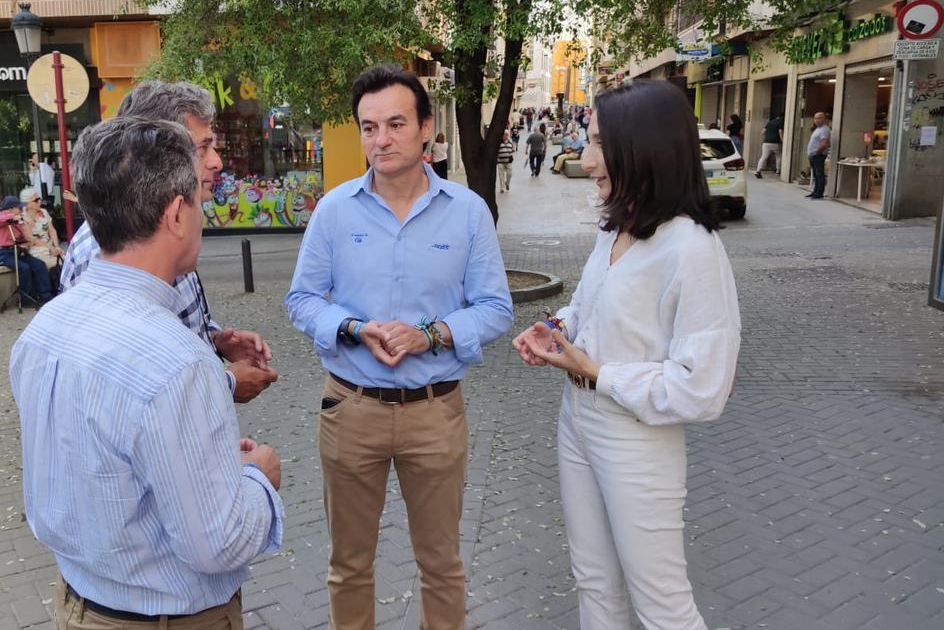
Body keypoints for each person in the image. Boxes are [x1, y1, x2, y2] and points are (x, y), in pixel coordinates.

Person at [11, 116, 284, 630]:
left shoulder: (44, 329)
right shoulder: (178, 363)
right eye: (199, 203)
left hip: (77, 603)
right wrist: (258, 479)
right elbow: (218, 541)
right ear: (177, 214)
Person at [286, 64, 513, 630]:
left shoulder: (467, 212)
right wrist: (354, 328)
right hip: (351, 408)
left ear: (426, 128)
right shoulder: (335, 210)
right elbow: (302, 300)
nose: (379, 140)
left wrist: (429, 334)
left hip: (435, 411)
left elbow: (495, 308)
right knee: (349, 565)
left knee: (441, 565)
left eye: (394, 124)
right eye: (368, 127)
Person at [512, 79, 740, 630]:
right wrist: (554, 327)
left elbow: (702, 387)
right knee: (594, 582)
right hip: (578, 423)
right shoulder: (616, 226)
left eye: (597, 144)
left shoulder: (692, 249)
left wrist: (597, 370)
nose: (587, 160)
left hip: (636, 438)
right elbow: (589, 304)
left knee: (661, 603)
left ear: (643, 150)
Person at [60, 80, 279, 405]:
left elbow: (171, 327)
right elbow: (124, 388)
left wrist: (215, 339)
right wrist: (228, 383)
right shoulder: (105, 250)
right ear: (156, 153)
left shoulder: (163, 226)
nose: (217, 162)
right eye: (203, 148)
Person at [0, 195, 52, 305]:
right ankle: (25, 299)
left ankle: (46, 295)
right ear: (11, 208)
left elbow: (27, 237)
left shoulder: (19, 220)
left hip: (15, 250)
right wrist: (13, 217)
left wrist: (25, 224)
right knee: (23, 268)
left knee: (39, 264)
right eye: (19, 208)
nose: (22, 210)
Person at [806, 111, 831, 199]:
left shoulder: (824, 129)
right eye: (815, 118)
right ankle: (815, 191)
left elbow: (824, 144)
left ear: (824, 119)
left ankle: (819, 193)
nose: (817, 120)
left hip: (818, 155)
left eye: (819, 118)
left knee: (819, 174)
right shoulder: (817, 129)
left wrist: (816, 152)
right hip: (813, 155)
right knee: (816, 175)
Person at [754, 114, 784, 179]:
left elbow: (763, 132)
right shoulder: (781, 122)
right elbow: (780, 131)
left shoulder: (770, 122)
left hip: (766, 143)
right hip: (776, 143)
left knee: (763, 157)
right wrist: (782, 140)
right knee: (778, 156)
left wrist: (768, 136)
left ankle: (758, 171)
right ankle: (778, 171)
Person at [497, 128, 515, 193]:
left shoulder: (510, 143)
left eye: (506, 134)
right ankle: (502, 188)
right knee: (501, 175)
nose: (505, 136)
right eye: (504, 134)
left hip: (508, 162)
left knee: (509, 174)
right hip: (500, 161)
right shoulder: (498, 142)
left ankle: (507, 183)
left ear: (508, 135)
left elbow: (512, 150)